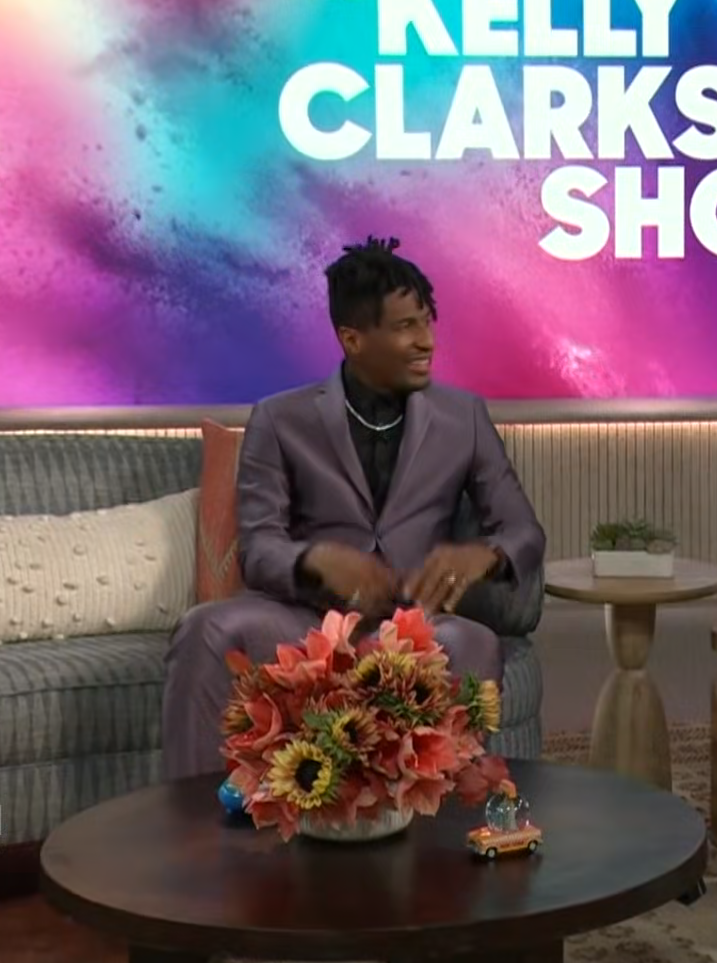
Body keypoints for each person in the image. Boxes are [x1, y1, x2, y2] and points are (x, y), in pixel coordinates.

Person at [161, 236, 546, 780]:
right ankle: (190, 817)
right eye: (406, 326)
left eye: (428, 323)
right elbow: (260, 548)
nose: (427, 341)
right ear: (353, 339)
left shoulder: (464, 418)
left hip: (415, 624)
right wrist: (315, 560)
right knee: (206, 628)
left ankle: (449, 818)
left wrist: (485, 555)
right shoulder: (280, 419)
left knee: (472, 643)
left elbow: (524, 530)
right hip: (305, 621)